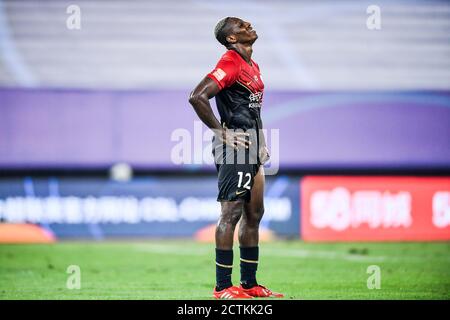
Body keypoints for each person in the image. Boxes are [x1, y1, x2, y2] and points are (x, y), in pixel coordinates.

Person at [189, 17, 283, 299]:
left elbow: (254, 111)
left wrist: (262, 143)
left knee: (255, 214)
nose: (248, 25)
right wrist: (222, 134)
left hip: (252, 147)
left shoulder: (252, 66)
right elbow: (197, 96)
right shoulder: (229, 62)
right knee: (231, 214)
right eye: (241, 26)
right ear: (231, 38)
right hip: (235, 146)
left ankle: (249, 284)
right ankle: (222, 288)